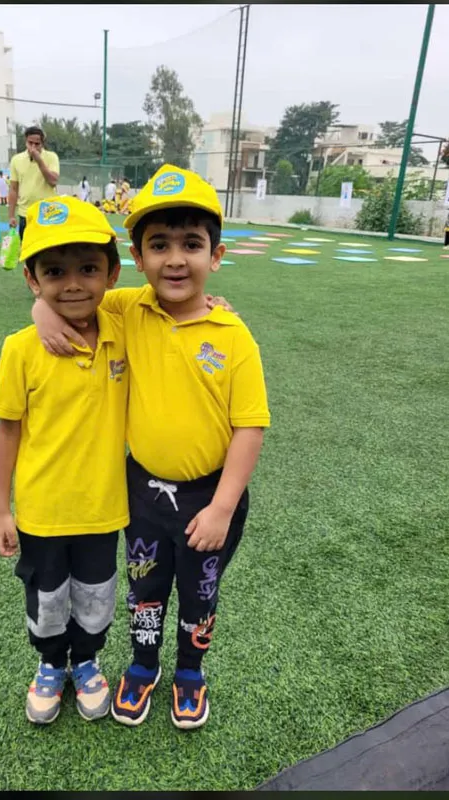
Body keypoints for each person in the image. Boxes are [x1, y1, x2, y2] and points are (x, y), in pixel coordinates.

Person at [32, 164, 271, 730]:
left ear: (216, 255)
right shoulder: (128, 308)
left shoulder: (233, 336)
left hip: (210, 499)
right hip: (142, 492)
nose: (175, 259)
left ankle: (190, 670)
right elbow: (73, 297)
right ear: (137, 258)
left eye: (192, 244)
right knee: (146, 589)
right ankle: (143, 666)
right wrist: (40, 309)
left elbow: (249, 428)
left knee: (199, 593)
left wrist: (222, 507)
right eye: (159, 245)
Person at [0, 196, 128, 726]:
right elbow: (8, 430)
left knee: (96, 596)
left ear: (112, 274)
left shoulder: (124, 331)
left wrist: (214, 302)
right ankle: (50, 665)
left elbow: (166, 301)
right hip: (42, 512)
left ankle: (87, 662)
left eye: (88, 269)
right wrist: (2, 509)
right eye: (54, 272)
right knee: (46, 599)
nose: (73, 284)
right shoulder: (20, 349)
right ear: (31, 278)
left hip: (103, 510)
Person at [8, 126, 60, 240]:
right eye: (30, 143)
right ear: (25, 141)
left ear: (42, 143)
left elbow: (53, 181)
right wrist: (11, 215)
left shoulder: (51, 157)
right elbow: (13, 189)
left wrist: (39, 160)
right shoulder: (16, 160)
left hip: (47, 214)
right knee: (27, 248)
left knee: (48, 248)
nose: (33, 147)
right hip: (25, 214)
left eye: (37, 144)